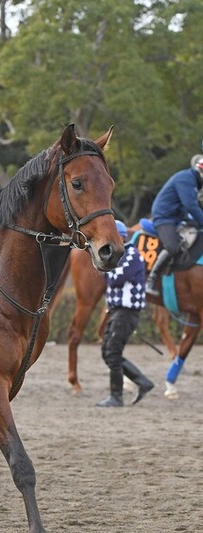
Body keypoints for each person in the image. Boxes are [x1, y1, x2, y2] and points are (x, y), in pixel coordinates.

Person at [96, 220, 154, 408]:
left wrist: (105, 264)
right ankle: (143, 382)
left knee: (112, 352)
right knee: (107, 352)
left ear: (119, 236)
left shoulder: (131, 255)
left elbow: (114, 279)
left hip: (127, 312)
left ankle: (116, 396)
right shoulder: (120, 257)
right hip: (117, 311)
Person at [145, 155, 203, 296]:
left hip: (176, 218)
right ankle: (151, 280)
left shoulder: (192, 180)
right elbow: (191, 205)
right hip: (164, 218)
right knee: (172, 246)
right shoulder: (186, 179)